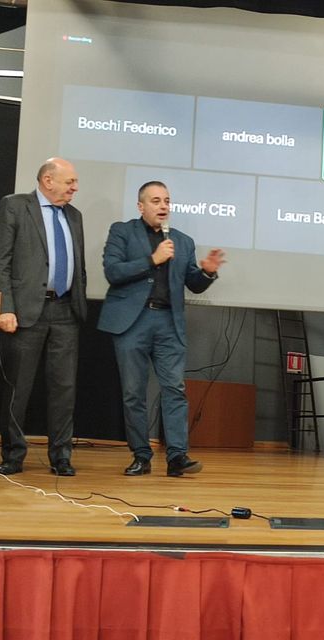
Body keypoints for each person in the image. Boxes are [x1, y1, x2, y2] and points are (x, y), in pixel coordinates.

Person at [97, 181, 225, 477]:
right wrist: (152, 260)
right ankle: (141, 456)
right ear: (140, 206)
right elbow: (113, 271)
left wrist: (207, 272)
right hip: (133, 322)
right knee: (133, 392)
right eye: (156, 201)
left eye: (167, 200)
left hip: (169, 322)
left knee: (174, 389)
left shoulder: (183, 241)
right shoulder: (122, 231)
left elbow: (193, 283)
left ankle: (177, 456)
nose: (163, 206)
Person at [0, 158, 87, 477]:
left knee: (64, 389)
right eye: (70, 182)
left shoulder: (74, 215)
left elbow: (78, 265)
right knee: (17, 388)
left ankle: (61, 456)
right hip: (24, 311)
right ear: (48, 180)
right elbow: (1, 261)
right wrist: (5, 306)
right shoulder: (16, 206)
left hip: (66, 311)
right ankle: (13, 455)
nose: (75, 188)